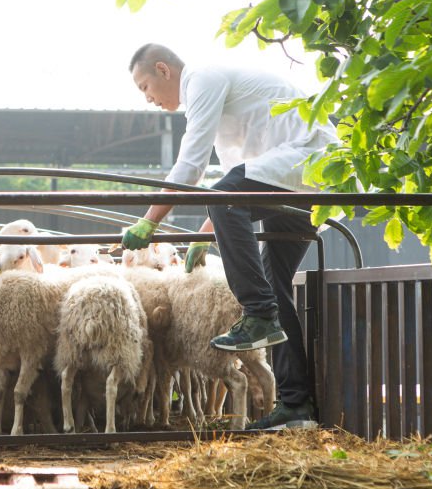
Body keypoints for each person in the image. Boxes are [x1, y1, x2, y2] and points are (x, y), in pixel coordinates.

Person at [120, 43, 337, 430]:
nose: (148, 98)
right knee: (275, 282)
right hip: (295, 176)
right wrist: (206, 235)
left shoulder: (203, 79)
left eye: (144, 87)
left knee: (260, 285)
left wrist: (149, 221)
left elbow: (192, 166)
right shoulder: (217, 107)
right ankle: (296, 403)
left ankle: (257, 313)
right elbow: (233, 178)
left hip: (306, 157)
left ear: (163, 69)